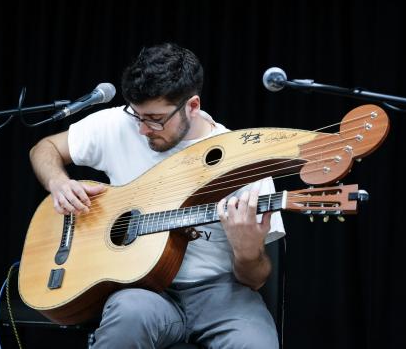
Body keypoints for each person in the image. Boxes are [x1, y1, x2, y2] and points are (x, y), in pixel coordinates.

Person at [29, 42, 285, 348]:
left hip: (221, 294)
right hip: (143, 289)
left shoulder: (243, 160)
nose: (142, 129)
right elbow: (44, 148)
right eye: (137, 115)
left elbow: (255, 279)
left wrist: (247, 252)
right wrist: (58, 182)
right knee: (127, 316)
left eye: (155, 119)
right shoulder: (119, 123)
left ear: (192, 106)